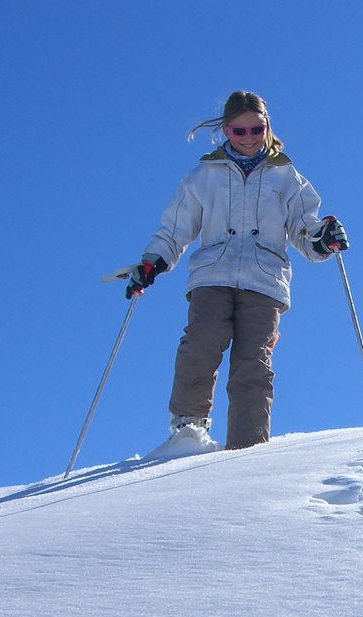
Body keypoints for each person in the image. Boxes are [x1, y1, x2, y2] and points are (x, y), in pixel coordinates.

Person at [125, 90, 348, 450]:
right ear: (225, 131)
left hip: (265, 281)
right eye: (238, 132)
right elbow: (175, 229)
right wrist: (153, 261)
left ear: (267, 127)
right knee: (202, 341)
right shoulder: (204, 176)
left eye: (255, 130)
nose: (248, 139)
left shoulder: (286, 177)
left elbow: (305, 228)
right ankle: (189, 427)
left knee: (254, 361)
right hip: (213, 273)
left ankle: (248, 446)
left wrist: (324, 237)